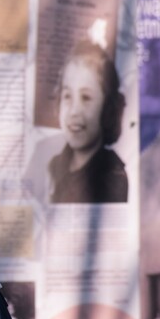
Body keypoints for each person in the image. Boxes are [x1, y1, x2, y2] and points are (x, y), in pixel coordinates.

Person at [47, 39, 128, 203]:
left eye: (86, 97)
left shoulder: (113, 176)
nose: (74, 111)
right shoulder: (53, 167)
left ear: (107, 108)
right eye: (67, 96)